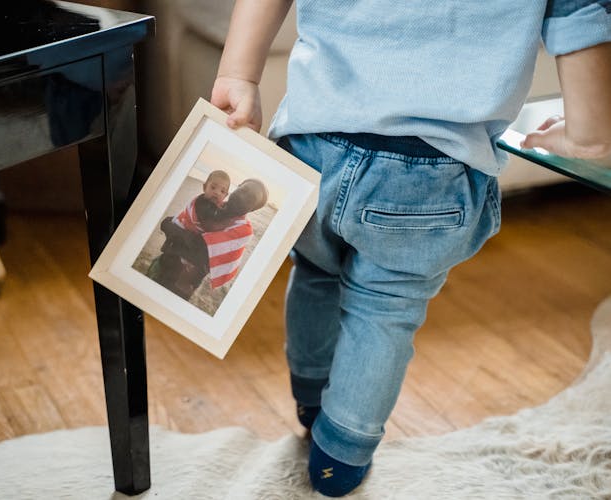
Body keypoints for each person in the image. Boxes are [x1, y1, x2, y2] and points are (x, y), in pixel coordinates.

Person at [210, 0, 611, 496]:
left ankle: (311, 400)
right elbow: (581, 19)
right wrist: (588, 136)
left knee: (315, 271)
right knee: (385, 310)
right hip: (433, 166)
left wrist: (238, 74)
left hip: (314, 143)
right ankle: (341, 455)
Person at [150, 177, 269, 300]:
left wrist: (172, 229)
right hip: (164, 263)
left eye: (250, 199)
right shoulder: (212, 203)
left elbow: (200, 248)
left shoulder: (243, 229)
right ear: (237, 187)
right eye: (243, 190)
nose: (243, 197)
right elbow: (179, 221)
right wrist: (172, 227)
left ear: (253, 209)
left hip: (180, 284)